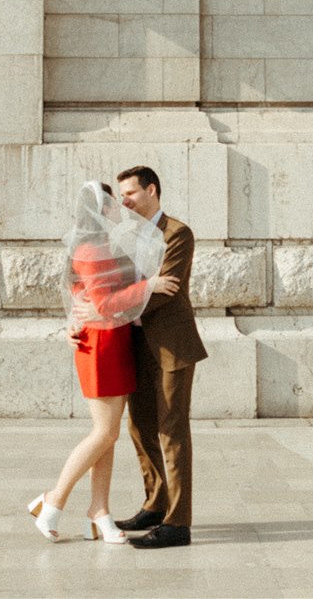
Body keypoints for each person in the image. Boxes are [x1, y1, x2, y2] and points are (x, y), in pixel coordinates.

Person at [27, 181, 175, 543]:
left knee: (107, 436)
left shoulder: (102, 245)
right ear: (99, 208)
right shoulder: (91, 250)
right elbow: (106, 304)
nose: (118, 205)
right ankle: (54, 500)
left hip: (115, 340)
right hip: (101, 344)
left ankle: (99, 512)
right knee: (104, 432)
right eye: (111, 201)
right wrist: (150, 286)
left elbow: (92, 298)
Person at [112, 165, 206, 549]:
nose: (124, 201)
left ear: (151, 190)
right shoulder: (125, 235)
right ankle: (155, 503)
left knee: (172, 430)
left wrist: (123, 303)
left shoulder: (177, 233)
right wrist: (132, 294)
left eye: (130, 193)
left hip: (171, 346)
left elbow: (167, 291)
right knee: (139, 426)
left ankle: (177, 522)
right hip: (135, 346)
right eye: (120, 195)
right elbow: (116, 283)